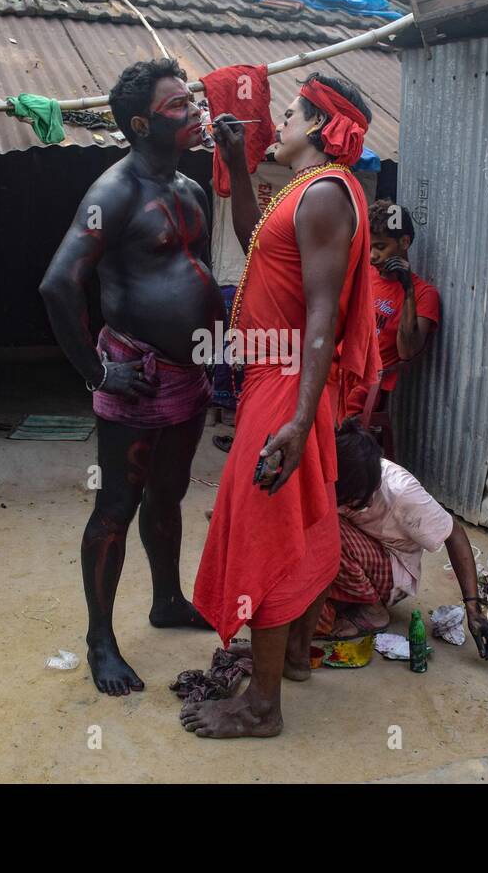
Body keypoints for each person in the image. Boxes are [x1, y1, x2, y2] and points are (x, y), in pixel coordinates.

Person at [183, 73, 380, 739]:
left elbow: (322, 315)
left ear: (322, 128)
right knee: (298, 520)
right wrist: (238, 164)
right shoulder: (301, 193)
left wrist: (297, 422)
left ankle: (261, 706)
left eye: (292, 112)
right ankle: (293, 656)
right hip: (281, 380)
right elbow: (256, 245)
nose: (282, 119)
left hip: (290, 384)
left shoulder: (324, 195)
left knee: (264, 527)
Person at [39, 59, 223, 696]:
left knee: (168, 498)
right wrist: (98, 373)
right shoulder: (112, 193)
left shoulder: (191, 190)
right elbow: (58, 284)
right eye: (179, 107)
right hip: (136, 377)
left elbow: (195, 274)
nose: (195, 113)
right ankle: (99, 641)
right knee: (116, 506)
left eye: (192, 102)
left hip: (188, 377)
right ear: (142, 123)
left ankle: (167, 600)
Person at [321, 419, 488, 660]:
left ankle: (372, 612)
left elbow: (454, 534)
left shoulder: (402, 491)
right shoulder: (337, 474)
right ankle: (347, 599)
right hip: (361, 554)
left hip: (392, 570)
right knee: (304, 619)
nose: (367, 503)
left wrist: (473, 607)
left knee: (328, 531)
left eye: (363, 499)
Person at [346, 199, 441, 419]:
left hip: (362, 385)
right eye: (369, 247)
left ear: (404, 242)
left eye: (380, 247)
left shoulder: (423, 294)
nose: (372, 256)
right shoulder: (364, 273)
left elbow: (407, 351)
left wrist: (407, 291)